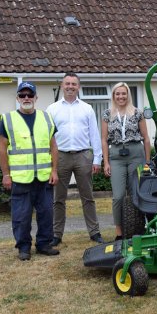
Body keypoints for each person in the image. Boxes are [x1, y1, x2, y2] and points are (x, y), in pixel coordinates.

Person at [0, 81, 60, 260]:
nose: (26, 98)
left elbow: (53, 147)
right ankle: (23, 247)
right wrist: (6, 174)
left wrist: (54, 171)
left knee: (46, 213)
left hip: (43, 177)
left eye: (29, 95)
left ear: (36, 98)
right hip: (20, 179)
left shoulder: (46, 118)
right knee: (21, 216)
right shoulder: (7, 119)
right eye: (22, 95)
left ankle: (44, 244)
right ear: (17, 98)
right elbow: (2, 149)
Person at [46, 73, 103, 244]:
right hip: (60, 156)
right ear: (62, 86)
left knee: (88, 197)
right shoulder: (52, 109)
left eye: (74, 84)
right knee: (58, 198)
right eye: (67, 83)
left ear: (79, 87)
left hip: (83, 155)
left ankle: (94, 232)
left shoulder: (87, 108)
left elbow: (94, 133)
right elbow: (48, 137)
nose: (70, 86)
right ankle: (56, 234)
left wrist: (97, 159)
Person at [101, 83, 151, 241]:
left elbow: (146, 138)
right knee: (118, 196)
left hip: (135, 154)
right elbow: (103, 140)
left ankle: (137, 228)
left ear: (128, 95)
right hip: (116, 155)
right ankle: (119, 232)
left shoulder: (137, 113)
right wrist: (106, 162)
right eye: (117, 94)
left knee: (135, 193)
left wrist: (147, 162)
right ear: (113, 96)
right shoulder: (107, 114)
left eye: (124, 94)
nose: (121, 97)